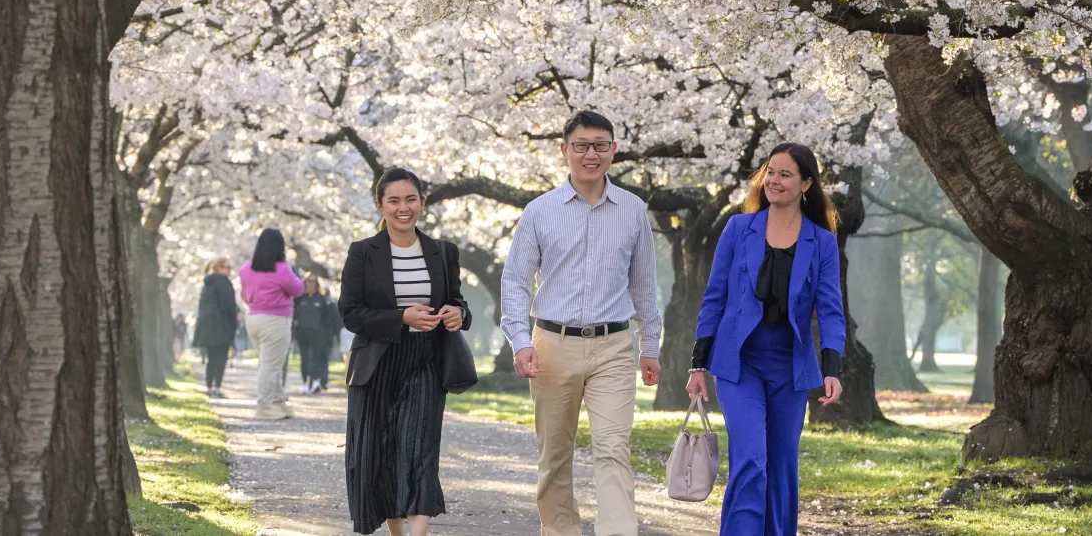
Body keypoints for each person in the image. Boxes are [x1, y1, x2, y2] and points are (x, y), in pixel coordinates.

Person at [501, 110, 663, 536]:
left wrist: (650, 347)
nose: (590, 154)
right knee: (555, 456)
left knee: (614, 449)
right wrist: (520, 340)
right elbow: (516, 282)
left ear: (613, 150)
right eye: (581, 146)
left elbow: (645, 286)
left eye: (599, 145)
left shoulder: (633, 210)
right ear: (564, 151)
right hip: (552, 344)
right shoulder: (539, 212)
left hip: (614, 346)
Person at [685, 143, 846, 536]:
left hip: (791, 367)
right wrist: (698, 364)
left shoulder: (821, 241)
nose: (773, 180)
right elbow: (715, 298)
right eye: (770, 172)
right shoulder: (739, 229)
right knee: (751, 460)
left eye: (785, 174)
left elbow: (829, 309)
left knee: (781, 466)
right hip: (740, 365)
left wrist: (833, 369)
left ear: (806, 183)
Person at [342, 167, 471, 536]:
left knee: (419, 448)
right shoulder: (362, 252)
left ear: (422, 203)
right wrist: (401, 317)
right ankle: (397, 532)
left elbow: (457, 301)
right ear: (379, 205)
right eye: (394, 200)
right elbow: (351, 314)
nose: (403, 208)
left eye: (410, 199)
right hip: (377, 363)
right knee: (379, 452)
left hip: (426, 361)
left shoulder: (443, 252)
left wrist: (457, 313)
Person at [242, 228, 307, 420]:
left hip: (253, 318)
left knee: (270, 363)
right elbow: (298, 289)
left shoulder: (246, 268)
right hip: (276, 320)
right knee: (270, 365)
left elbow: (244, 295)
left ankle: (279, 401)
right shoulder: (281, 269)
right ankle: (263, 405)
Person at [194, 259, 240, 398]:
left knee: (211, 359)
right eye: (227, 267)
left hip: (208, 327)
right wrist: (235, 320)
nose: (230, 270)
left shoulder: (207, 284)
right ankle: (217, 387)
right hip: (222, 326)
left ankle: (209, 386)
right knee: (221, 359)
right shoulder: (224, 283)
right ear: (219, 268)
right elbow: (229, 306)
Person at [295, 274, 344, 393]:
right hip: (302, 333)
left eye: (314, 281)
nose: (311, 283)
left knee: (316, 358)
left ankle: (316, 381)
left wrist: (328, 334)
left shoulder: (322, 299)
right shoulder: (300, 298)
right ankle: (305, 382)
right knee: (304, 358)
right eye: (309, 281)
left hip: (318, 334)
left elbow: (327, 318)